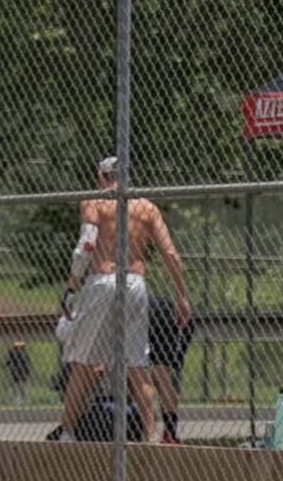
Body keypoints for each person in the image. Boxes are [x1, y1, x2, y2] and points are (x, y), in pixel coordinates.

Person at [54, 156, 190, 444]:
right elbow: (171, 255)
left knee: (83, 362)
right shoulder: (146, 208)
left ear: (102, 176)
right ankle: (149, 433)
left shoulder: (95, 202)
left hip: (102, 281)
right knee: (136, 364)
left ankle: (66, 431)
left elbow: (86, 246)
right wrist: (181, 295)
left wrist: (71, 287)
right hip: (135, 283)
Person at [148, 294, 196, 444]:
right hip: (170, 313)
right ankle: (166, 433)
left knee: (160, 377)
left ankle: (166, 432)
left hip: (168, 316)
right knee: (160, 377)